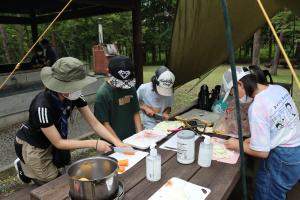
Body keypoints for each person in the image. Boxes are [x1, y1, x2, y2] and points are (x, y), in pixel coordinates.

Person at [14, 57, 127, 185]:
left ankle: (31, 167)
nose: (79, 88)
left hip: (52, 139)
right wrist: (93, 143)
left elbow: (95, 123)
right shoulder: (41, 106)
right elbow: (58, 142)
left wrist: (118, 142)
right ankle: (24, 166)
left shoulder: (74, 95)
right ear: (61, 85)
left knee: (60, 164)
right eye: (75, 85)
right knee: (51, 181)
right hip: (34, 144)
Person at [223, 66, 300, 199]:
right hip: (295, 151)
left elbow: (262, 153)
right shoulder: (278, 89)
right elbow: (280, 126)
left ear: (240, 84)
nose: (234, 97)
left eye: (233, 92)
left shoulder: (257, 107)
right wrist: (253, 140)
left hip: (282, 158)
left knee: (267, 193)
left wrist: (237, 144)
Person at [94, 56, 143, 140]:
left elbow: (136, 112)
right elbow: (105, 124)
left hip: (132, 138)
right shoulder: (102, 95)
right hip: (111, 142)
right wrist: (118, 143)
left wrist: (139, 134)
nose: (124, 85)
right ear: (108, 72)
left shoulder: (130, 88)